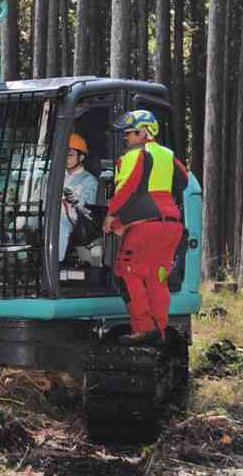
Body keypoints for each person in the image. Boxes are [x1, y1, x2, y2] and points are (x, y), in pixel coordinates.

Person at [103, 110, 188, 344]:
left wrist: (111, 216)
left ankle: (142, 329)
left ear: (146, 132)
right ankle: (159, 331)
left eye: (131, 133)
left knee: (127, 272)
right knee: (156, 278)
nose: (127, 138)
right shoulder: (167, 155)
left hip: (145, 227)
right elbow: (183, 180)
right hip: (171, 225)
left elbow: (127, 189)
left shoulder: (135, 155)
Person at [59, 133, 98, 262]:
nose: (66, 159)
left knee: (60, 225)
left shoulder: (89, 181)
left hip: (74, 222)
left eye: (70, 155)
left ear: (81, 157)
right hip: (51, 217)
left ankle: (55, 263)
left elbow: (89, 212)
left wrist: (77, 200)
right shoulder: (56, 177)